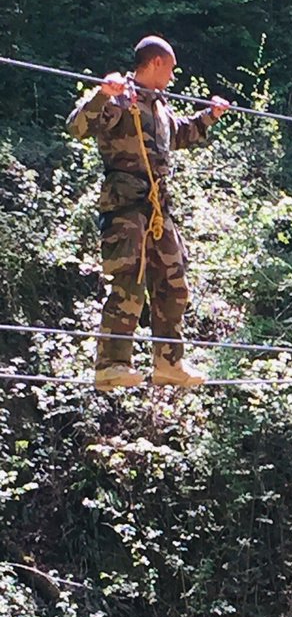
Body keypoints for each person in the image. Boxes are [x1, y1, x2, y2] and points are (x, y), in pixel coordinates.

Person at [66, 36, 230, 390]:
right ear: (155, 63)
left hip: (157, 208)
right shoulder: (120, 98)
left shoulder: (157, 107)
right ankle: (111, 365)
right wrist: (102, 94)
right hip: (125, 207)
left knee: (174, 282)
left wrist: (210, 115)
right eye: (170, 68)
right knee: (128, 284)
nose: (172, 75)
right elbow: (77, 126)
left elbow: (181, 133)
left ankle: (169, 362)